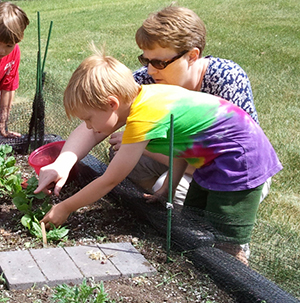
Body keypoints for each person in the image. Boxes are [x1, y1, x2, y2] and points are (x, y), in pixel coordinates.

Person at [37, 50, 282, 265]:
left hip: (240, 161)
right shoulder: (147, 97)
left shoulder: (143, 117)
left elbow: (110, 180)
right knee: (194, 218)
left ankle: (235, 271)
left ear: (112, 103)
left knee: (225, 236)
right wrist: (167, 188)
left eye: (89, 118)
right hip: (215, 159)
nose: (89, 127)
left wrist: (65, 208)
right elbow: (181, 147)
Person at [108, 5, 271, 205]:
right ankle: (153, 205)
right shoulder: (150, 76)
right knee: (121, 155)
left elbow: (230, 160)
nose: (149, 70)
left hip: (235, 173)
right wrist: (65, 161)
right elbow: (103, 116)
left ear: (192, 56)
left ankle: (187, 213)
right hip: (184, 159)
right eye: (145, 60)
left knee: (167, 189)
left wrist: (140, 145)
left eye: (159, 62)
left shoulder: (226, 78)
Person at [0, 2, 29, 138]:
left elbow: (8, 88)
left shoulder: (14, 53)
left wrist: (3, 123)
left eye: (8, 45)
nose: (2, 50)